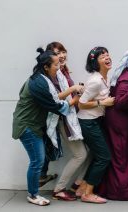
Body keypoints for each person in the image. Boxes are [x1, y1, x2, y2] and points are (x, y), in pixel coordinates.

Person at [12, 48, 78, 206]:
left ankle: (34, 190)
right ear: (46, 67)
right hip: (27, 126)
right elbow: (55, 105)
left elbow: (54, 99)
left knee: (38, 160)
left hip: (33, 125)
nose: (59, 66)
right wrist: (74, 99)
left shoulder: (43, 78)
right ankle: (33, 195)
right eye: (56, 64)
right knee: (37, 160)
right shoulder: (39, 82)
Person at [98, 48, 128, 200]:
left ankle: (124, 190)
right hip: (120, 120)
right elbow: (120, 102)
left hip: (123, 120)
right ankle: (121, 192)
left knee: (126, 155)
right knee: (124, 157)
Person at [41, 42, 88, 201]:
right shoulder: (52, 74)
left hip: (70, 115)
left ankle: (77, 183)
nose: (61, 56)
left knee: (88, 152)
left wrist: (76, 93)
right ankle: (60, 189)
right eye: (56, 53)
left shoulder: (62, 71)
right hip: (62, 118)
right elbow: (54, 98)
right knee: (80, 155)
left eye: (62, 51)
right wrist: (74, 93)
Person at [77, 46, 115, 204]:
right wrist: (102, 102)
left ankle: (82, 188)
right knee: (104, 157)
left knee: (98, 155)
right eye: (102, 57)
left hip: (96, 120)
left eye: (107, 54)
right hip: (88, 122)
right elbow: (81, 103)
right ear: (95, 63)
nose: (107, 57)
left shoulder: (103, 77)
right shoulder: (95, 81)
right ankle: (88, 194)